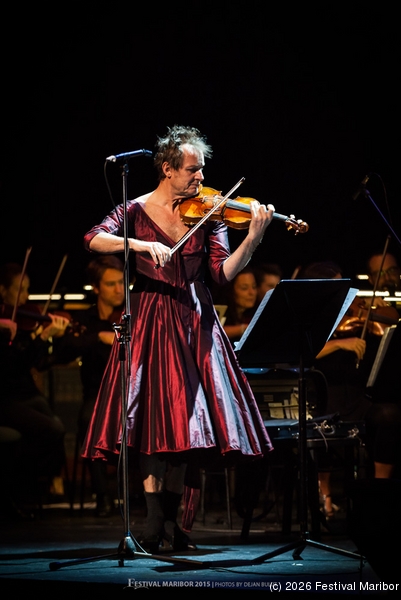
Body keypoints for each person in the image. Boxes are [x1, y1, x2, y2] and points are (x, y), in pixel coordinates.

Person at [81, 124, 274, 553]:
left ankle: (173, 521)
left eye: (202, 170)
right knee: (151, 419)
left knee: (191, 421)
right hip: (149, 317)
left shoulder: (210, 212)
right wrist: (138, 246)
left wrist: (253, 238)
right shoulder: (134, 209)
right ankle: (154, 522)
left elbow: (221, 274)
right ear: (167, 169)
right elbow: (93, 239)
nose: (200, 178)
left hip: (193, 318)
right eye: (192, 170)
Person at [296, 260, 401, 519]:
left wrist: (370, 311)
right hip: (322, 395)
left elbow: (389, 320)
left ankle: (380, 489)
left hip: (356, 395)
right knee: (325, 418)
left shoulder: (354, 313)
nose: (345, 293)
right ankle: (325, 494)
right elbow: (301, 353)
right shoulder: (307, 317)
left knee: (389, 416)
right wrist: (340, 343)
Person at [56, 255, 125, 517]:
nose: (119, 290)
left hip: (131, 394)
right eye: (111, 284)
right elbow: (65, 351)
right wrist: (98, 337)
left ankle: (141, 495)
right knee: (89, 420)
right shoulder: (85, 320)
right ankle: (102, 495)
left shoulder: (131, 316)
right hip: (98, 396)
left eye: (122, 283)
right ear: (96, 288)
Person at [0, 262, 70, 510]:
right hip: (6, 398)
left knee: (54, 421)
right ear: (3, 291)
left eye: (27, 289)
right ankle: (21, 485)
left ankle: (44, 482)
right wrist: (40, 338)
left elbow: (36, 364)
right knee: (52, 428)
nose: (26, 296)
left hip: (24, 395)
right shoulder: (5, 326)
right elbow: (11, 367)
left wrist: (48, 339)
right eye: (20, 290)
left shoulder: (22, 321)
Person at [222, 266, 258, 344]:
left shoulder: (254, 315)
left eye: (254, 287)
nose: (251, 293)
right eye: (244, 288)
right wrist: (243, 329)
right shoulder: (218, 313)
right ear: (231, 290)